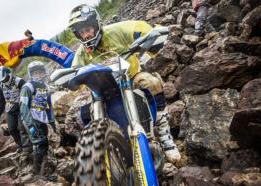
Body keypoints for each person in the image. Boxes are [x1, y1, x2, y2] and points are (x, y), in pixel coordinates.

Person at [68, 4, 181, 163]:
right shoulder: (81, 52)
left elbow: (139, 27)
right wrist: (69, 80)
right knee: (79, 115)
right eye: (82, 32)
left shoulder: (116, 30)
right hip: (104, 90)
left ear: (96, 24)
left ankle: (165, 136)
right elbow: (74, 70)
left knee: (152, 82)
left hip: (131, 77)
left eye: (88, 29)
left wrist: (152, 34)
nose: (86, 35)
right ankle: (99, 154)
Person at [19, 61, 56, 174]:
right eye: (36, 73)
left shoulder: (46, 87)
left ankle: (42, 170)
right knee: (40, 144)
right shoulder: (27, 87)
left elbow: (49, 106)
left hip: (42, 119)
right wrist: (30, 124)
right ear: (31, 74)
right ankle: (40, 173)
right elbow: (23, 106)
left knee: (44, 144)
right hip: (31, 120)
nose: (38, 75)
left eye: (40, 72)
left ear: (44, 73)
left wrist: (52, 121)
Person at [0, 66, 32, 153]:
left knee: (22, 128)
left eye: (4, 78)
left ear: (9, 74)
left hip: (22, 108)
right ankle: (21, 146)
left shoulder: (19, 81)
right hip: (10, 109)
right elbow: (1, 100)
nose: (3, 81)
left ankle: (27, 149)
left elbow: (28, 93)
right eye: (1, 80)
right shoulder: (1, 86)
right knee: (12, 129)